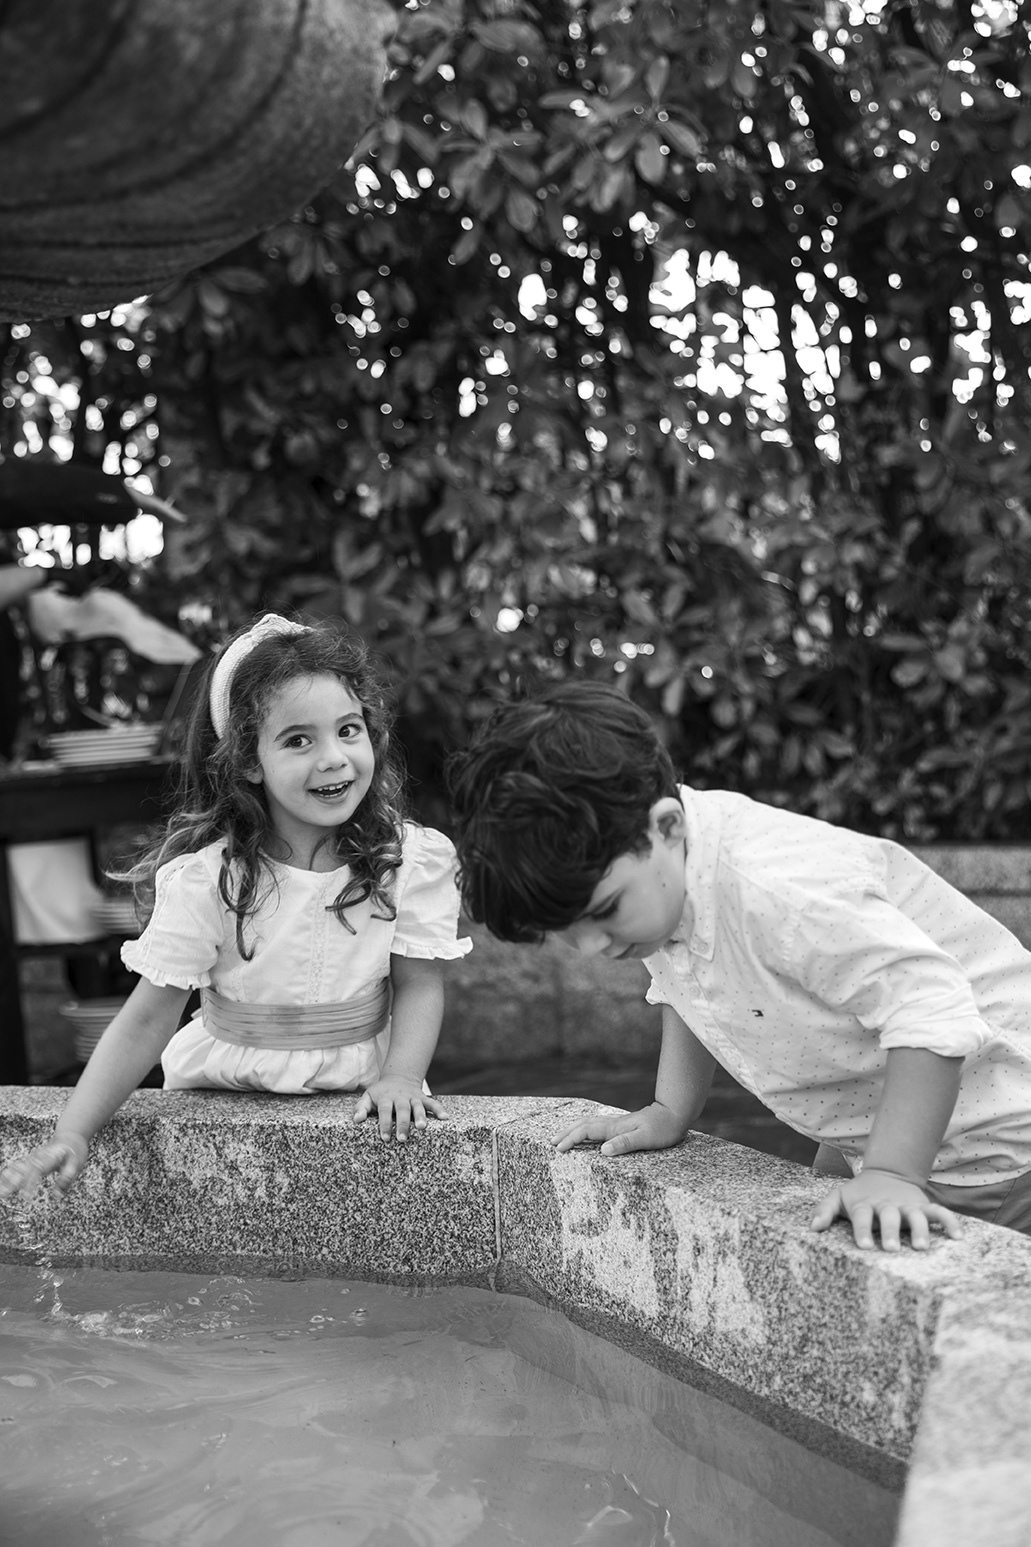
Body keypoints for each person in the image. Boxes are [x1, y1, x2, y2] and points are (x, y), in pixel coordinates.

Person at [445, 680, 1031, 1253]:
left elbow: (931, 1009)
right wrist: (671, 1108)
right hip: (867, 1116)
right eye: (565, 930)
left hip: (984, 1133)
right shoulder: (662, 880)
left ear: (666, 826)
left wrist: (894, 1174)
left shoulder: (779, 892)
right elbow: (685, 987)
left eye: (603, 912)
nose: (593, 947)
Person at [0, 613, 471, 1203]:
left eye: (348, 730)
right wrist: (74, 1131)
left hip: (363, 1087)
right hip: (223, 1090)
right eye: (298, 740)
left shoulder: (407, 862)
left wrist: (401, 1076)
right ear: (248, 760)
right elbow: (147, 1018)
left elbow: (419, 983)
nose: (334, 757)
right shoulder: (209, 881)